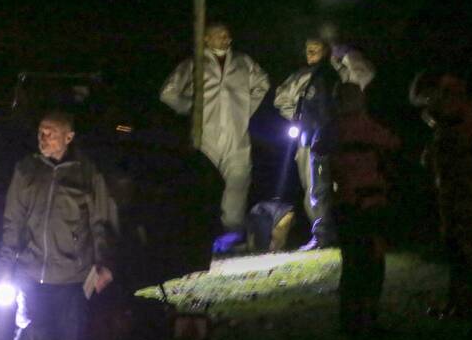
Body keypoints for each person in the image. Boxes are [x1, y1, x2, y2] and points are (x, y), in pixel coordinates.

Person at [0, 110, 117, 340]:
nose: (43, 137)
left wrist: (103, 261)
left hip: (72, 278)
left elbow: (100, 221)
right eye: (40, 131)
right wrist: (5, 271)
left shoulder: (86, 173)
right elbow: (13, 223)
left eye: (50, 132)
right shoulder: (26, 170)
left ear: (69, 136)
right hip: (30, 276)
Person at [160, 22, 270, 250]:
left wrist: (244, 111)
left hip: (236, 135)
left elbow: (263, 84)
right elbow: (168, 93)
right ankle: (204, 236)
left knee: (237, 184)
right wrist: (192, 109)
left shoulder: (242, 62)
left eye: (227, 36)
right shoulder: (194, 65)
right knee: (206, 187)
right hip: (205, 136)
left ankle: (233, 237)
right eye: (219, 36)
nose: (225, 39)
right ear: (206, 39)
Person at [274, 37, 375, 250]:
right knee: (315, 189)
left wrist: (347, 54)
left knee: (342, 186)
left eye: (316, 49)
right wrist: (297, 118)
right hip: (310, 141)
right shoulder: (300, 77)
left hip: (340, 140)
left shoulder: (341, 72)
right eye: (308, 49)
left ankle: (347, 233)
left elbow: (365, 75)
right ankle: (322, 235)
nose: (311, 53)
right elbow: (282, 99)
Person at [315, 83, 400, 334]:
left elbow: (318, 148)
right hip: (371, 203)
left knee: (352, 263)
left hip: (346, 204)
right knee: (373, 262)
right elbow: (394, 143)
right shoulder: (368, 127)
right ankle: (369, 316)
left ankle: (350, 319)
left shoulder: (331, 129)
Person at [410, 71, 472, 324]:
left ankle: (463, 306)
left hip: (456, 188)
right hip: (460, 185)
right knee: (461, 245)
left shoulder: (450, 109)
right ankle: (459, 303)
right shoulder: (464, 109)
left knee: (457, 245)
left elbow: (419, 103)